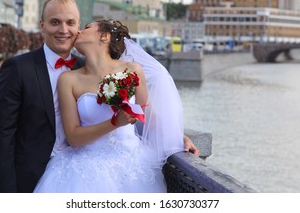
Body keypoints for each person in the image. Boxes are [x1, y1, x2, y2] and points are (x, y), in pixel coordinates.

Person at [34, 20, 198, 193]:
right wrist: (115, 122)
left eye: (87, 28)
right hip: (85, 170)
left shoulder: (132, 70)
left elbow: (149, 116)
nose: (78, 32)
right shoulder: (68, 79)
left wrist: (179, 136)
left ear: (104, 36)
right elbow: (74, 137)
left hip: (132, 166)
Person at [0, 0, 83, 192]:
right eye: (55, 22)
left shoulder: (87, 68)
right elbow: (2, 134)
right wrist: (7, 189)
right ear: (42, 25)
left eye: (70, 23)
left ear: (78, 26)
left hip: (76, 178)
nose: (63, 30)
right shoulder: (17, 68)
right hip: (27, 179)